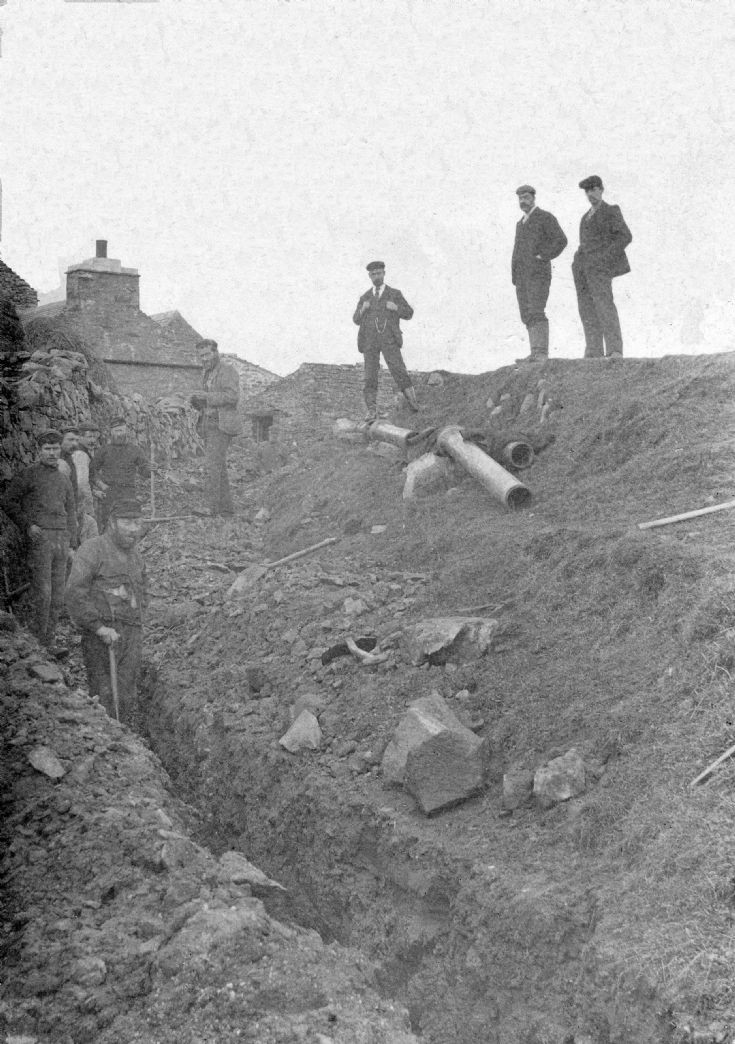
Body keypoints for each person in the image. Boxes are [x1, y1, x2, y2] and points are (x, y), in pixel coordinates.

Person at [65, 499, 148, 726]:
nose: (133, 529)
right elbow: (74, 593)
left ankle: (128, 744)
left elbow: (143, 592)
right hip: (101, 636)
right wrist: (99, 628)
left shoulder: (136, 555)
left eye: (137, 523)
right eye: (127, 522)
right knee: (104, 697)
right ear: (112, 523)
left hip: (131, 634)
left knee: (126, 694)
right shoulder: (92, 550)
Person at [4, 429, 77, 651]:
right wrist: (28, 526)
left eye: (55, 448)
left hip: (61, 539)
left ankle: (50, 640)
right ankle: (38, 643)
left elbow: (71, 512)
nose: (52, 453)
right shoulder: (28, 475)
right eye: (48, 449)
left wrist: (72, 543)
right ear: (39, 451)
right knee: (43, 593)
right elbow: (9, 501)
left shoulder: (64, 479)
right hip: (41, 540)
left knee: (58, 594)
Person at [572, 175, 632, 358]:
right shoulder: (584, 218)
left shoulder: (611, 211)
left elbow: (625, 236)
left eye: (593, 189)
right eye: (587, 191)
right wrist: (577, 261)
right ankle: (593, 351)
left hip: (600, 269)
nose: (590, 194)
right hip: (583, 270)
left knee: (604, 306)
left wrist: (604, 259)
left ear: (601, 189)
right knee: (586, 310)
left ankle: (614, 350)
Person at [352, 261, 418, 421]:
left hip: (389, 339)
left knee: (398, 369)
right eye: (373, 274)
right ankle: (371, 411)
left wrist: (395, 307)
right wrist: (363, 309)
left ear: (384, 273)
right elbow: (355, 319)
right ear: (369, 276)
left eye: (379, 273)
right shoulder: (365, 297)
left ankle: (413, 404)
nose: (376, 276)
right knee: (370, 375)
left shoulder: (394, 293)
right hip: (370, 341)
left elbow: (409, 313)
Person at [511, 185, 568, 361]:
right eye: (520, 198)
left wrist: (543, 255)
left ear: (534, 198)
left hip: (538, 274)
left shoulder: (545, 218)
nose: (523, 201)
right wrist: (514, 275)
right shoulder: (520, 224)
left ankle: (541, 352)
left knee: (536, 309)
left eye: (526, 197)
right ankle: (534, 352)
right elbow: (516, 250)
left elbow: (561, 240)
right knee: (526, 313)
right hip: (522, 277)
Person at [189, 338, 242, 517]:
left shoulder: (227, 371)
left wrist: (207, 396)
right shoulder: (207, 373)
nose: (203, 359)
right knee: (218, 467)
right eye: (200, 356)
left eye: (206, 354)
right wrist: (196, 401)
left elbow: (232, 397)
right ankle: (226, 510)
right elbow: (207, 399)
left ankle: (211, 508)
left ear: (215, 352)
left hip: (222, 424)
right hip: (209, 424)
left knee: (212, 465)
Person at [90, 417, 150, 529]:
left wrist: (150, 469)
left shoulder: (135, 450)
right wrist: (101, 485)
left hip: (128, 492)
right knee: (109, 524)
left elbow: (144, 471)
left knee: (127, 522)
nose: (119, 434)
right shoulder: (103, 450)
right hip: (109, 493)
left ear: (126, 431)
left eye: (122, 430)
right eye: (116, 431)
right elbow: (92, 470)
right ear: (111, 432)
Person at [72, 423, 100, 543]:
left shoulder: (84, 452)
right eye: (89, 437)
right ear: (80, 438)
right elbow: (82, 484)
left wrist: (95, 491)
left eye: (94, 437)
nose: (92, 440)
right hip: (79, 503)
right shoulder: (81, 454)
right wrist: (89, 508)